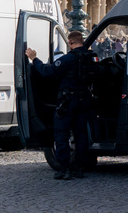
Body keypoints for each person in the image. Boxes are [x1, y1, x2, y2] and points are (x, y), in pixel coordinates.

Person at [25, 31, 98, 180]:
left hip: (68, 100)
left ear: (70, 42)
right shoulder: (91, 57)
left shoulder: (69, 58)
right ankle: (79, 168)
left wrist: (34, 59)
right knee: (81, 134)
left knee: (61, 134)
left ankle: (64, 168)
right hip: (85, 99)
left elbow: (48, 71)